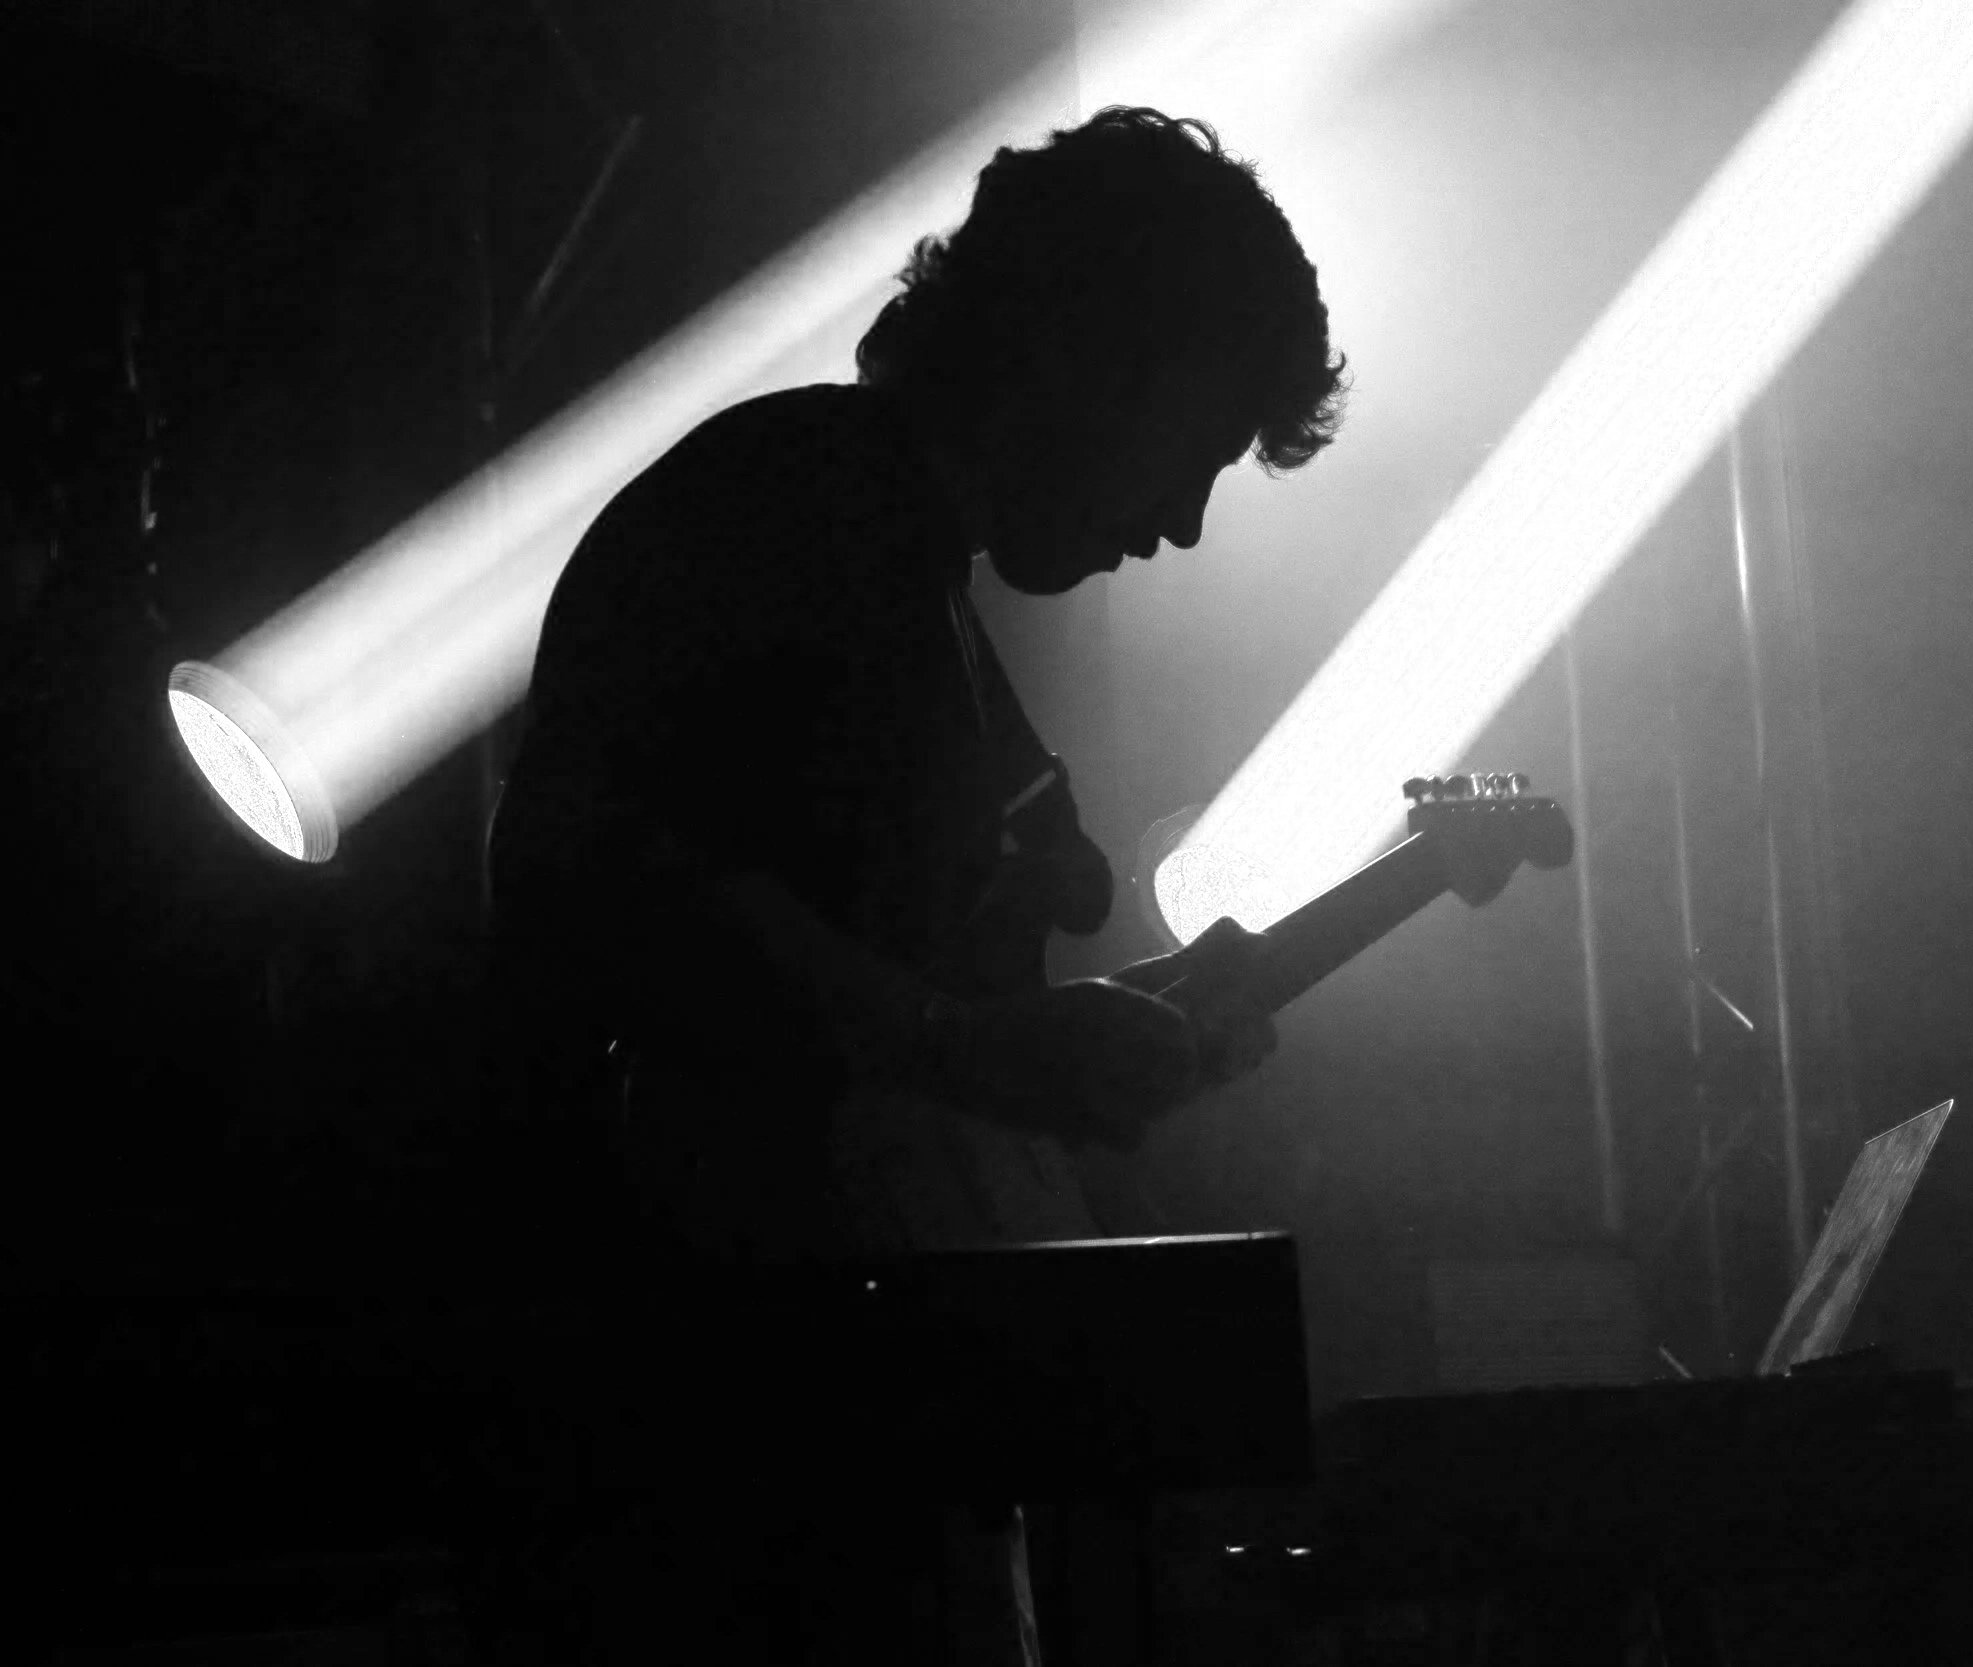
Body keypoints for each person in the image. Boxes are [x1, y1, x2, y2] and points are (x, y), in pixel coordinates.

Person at [475, 106, 1347, 1662]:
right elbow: (585, 860)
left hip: (843, 1451)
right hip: (737, 1476)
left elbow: (881, 1003)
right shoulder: (795, 496)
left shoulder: (892, 557)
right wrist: (979, 1057)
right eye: (1195, 449)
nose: (1184, 525)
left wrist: (1049, 1053)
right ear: (1088, 350)